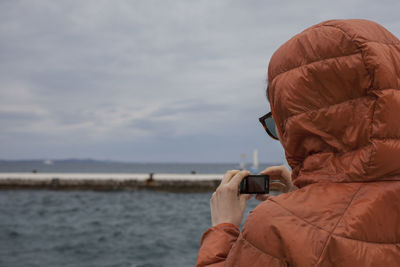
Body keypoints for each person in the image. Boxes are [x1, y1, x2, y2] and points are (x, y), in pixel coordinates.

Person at [196, 19, 400, 266]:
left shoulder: (276, 226)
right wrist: (311, 194)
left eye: (277, 122)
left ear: (301, 123)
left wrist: (223, 226)